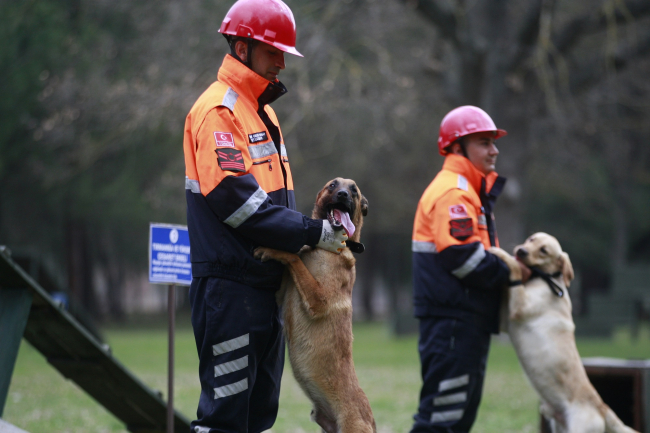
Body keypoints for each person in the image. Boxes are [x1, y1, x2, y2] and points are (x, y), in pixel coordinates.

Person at [183, 1, 347, 431]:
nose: (282, 63)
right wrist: (314, 233)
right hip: (229, 290)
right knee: (226, 419)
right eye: (273, 52)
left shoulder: (263, 111)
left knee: (257, 419)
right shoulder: (219, 111)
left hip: (263, 291)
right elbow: (239, 204)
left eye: (284, 54)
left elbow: (274, 204)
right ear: (241, 47)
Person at [410, 106, 530, 432]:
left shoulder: (466, 189)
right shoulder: (455, 192)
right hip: (454, 322)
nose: (495, 150)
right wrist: (514, 273)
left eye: (494, 142)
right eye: (484, 142)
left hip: (461, 320)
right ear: (457, 146)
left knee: (455, 418)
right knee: (442, 419)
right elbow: (464, 258)